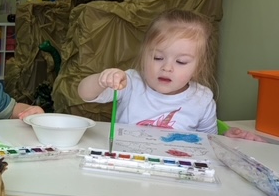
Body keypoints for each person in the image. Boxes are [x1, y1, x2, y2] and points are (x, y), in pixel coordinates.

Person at [77, 8, 265, 141]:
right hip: (128, 165)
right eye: (158, 58)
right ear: (144, 56)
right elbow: (84, 93)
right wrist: (102, 79)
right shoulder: (131, 82)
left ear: (198, 67)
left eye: (181, 62)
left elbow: (210, 141)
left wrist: (226, 137)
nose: (167, 67)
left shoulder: (202, 98)